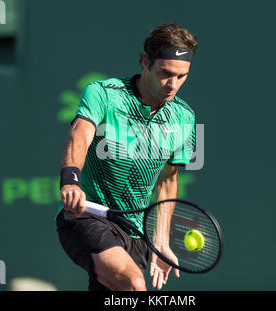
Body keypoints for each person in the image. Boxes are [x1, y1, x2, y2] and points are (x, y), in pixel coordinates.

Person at [56, 22, 198, 291]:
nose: (172, 85)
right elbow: (80, 135)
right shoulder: (103, 94)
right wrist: (71, 180)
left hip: (135, 234)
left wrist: (162, 241)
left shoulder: (185, 117)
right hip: (87, 216)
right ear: (145, 61)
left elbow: (168, 180)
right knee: (134, 284)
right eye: (165, 73)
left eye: (182, 76)